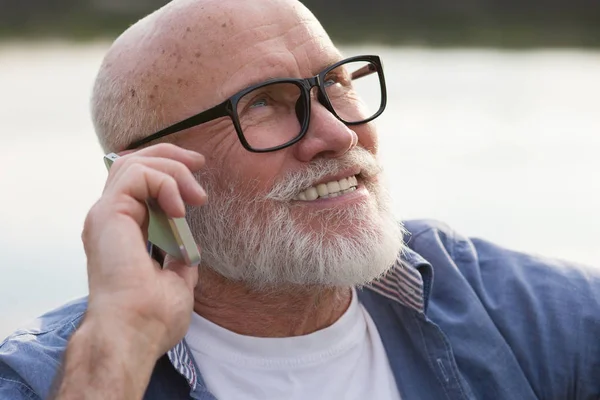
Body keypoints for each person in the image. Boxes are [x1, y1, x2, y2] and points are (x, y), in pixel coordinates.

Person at [1, 0, 599, 399]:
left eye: (336, 83)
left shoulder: (527, 318)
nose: (338, 134)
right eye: (261, 103)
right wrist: (121, 341)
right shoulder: (44, 378)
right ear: (145, 176)